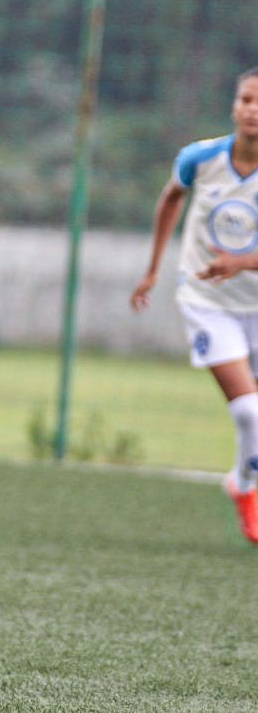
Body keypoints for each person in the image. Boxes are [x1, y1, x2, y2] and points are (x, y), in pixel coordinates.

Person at [131, 66, 258, 543]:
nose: (253, 110)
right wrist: (153, 268)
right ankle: (245, 491)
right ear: (234, 104)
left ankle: (242, 478)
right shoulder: (200, 158)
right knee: (249, 413)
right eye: (247, 99)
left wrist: (243, 262)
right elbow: (171, 199)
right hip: (208, 301)